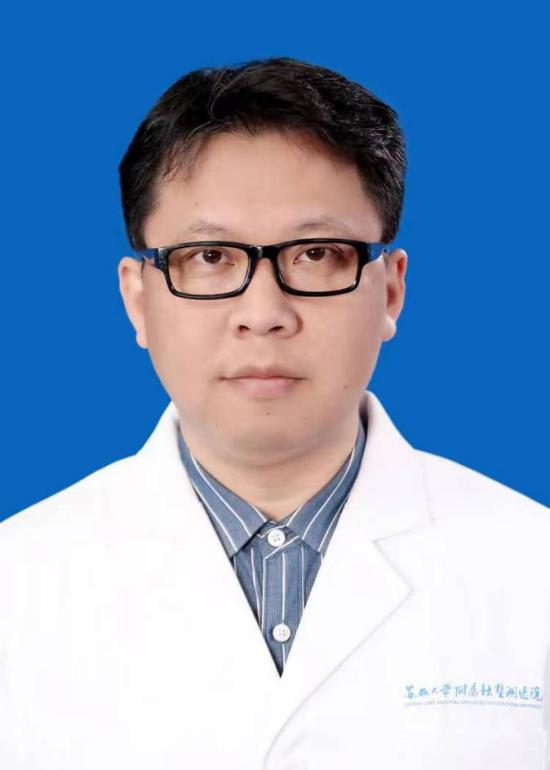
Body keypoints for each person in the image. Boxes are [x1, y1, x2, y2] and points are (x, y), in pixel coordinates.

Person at [0, 56, 548, 770]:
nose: (263, 313)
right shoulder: (18, 581)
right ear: (137, 299)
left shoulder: (532, 566)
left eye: (316, 253)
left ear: (390, 292)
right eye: (209, 257)